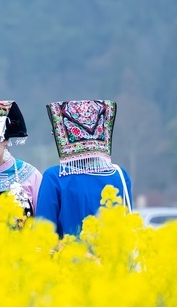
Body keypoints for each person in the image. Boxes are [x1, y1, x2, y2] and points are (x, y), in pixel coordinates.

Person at [36, 99, 133, 238]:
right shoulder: (119, 175)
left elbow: (43, 237)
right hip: (111, 258)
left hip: (68, 258)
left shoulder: (55, 177)